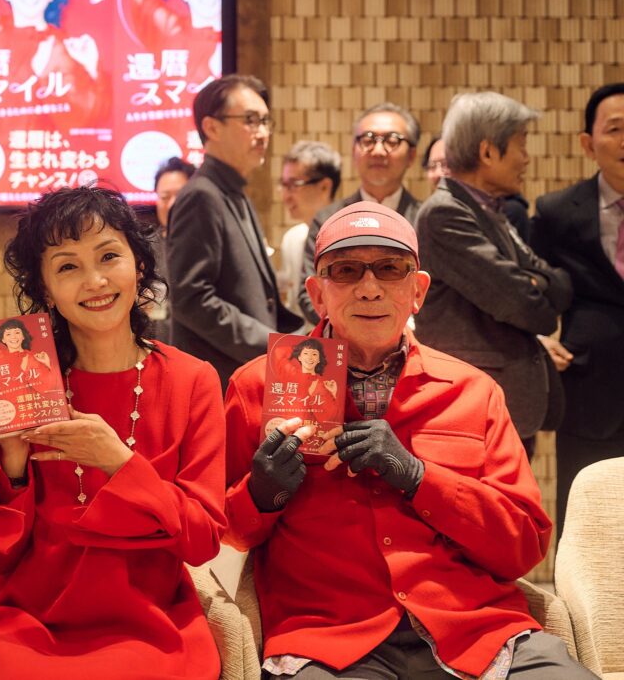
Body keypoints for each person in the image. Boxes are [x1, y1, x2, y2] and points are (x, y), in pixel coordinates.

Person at [224, 201, 595, 679]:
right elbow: (224, 532)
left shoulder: (472, 391)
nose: (369, 287)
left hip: (475, 631)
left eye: (389, 268)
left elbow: (522, 546)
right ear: (317, 294)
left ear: (417, 291)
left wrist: (420, 478)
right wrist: (261, 494)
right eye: (346, 270)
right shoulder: (258, 387)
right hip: (330, 640)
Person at [0, 185, 227, 680]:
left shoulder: (193, 380)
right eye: (68, 266)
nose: (95, 281)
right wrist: (11, 451)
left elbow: (202, 540)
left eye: (109, 256)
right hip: (22, 612)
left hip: (142, 618)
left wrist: (119, 462)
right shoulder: (24, 382)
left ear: (140, 266)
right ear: (46, 290)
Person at [415, 92, 572, 455]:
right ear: (487, 152)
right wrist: (533, 284)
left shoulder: (488, 209)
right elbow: (527, 306)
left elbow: (561, 286)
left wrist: (535, 282)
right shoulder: (445, 213)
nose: (527, 158)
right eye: (522, 145)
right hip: (471, 407)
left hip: (499, 401)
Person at [167, 74, 302, 392]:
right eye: (251, 121)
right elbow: (192, 299)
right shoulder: (201, 196)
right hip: (218, 383)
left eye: (266, 121)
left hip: (242, 375)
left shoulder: (233, 192)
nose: (263, 133)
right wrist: (273, 346)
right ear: (212, 127)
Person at [531, 82, 624, 540]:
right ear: (589, 143)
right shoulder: (555, 212)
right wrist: (537, 340)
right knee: (586, 520)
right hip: (588, 391)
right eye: (616, 129)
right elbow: (528, 289)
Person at [298, 103, 423, 325]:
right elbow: (309, 294)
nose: (378, 150)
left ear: (412, 155)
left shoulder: (427, 220)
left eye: (392, 141)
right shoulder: (328, 220)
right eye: (367, 140)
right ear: (354, 151)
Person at [277, 141, 341, 327]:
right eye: (283, 185)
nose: (285, 196)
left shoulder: (344, 238)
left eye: (293, 185)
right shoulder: (292, 238)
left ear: (324, 187)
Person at [149, 157, 196, 342]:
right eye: (164, 197)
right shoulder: (144, 248)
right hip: (154, 348)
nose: (172, 205)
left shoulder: (210, 248)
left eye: (181, 196)